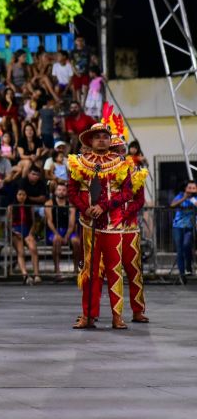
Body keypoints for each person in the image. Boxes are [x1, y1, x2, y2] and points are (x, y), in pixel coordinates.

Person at [68, 104, 133, 329]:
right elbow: (72, 192)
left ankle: (117, 315)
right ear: (90, 140)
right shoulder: (79, 163)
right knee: (90, 271)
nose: (102, 140)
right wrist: (85, 209)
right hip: (88, 224)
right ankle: (88, 315)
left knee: (115, 271)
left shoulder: (122, 163)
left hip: (113, 225)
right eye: (98, 137)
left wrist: (104, 206)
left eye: (106, 136)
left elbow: (127, 192)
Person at [111, 126, 150, 321]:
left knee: (134, 269)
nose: (119, 154)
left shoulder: (136, 171)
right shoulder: (104, 174)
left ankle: (137, 311)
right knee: (109, 272)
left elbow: (140, 200)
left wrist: (126, 212)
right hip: (108, 228)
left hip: (130, 228)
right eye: (115, 151)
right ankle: (110, 314)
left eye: (121, 151)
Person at [45, 182, 81, 281]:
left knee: (76, 241)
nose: (61, 192)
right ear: (55, 191)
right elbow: (49, 221)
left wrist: (66, 236)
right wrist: (57, 234)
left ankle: (75, 270)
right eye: (59, 190)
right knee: (56, 240)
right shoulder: (49, 203)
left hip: (67, 230)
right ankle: (57, 271)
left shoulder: (71, 205)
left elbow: (72, 223)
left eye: (64, 190)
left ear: (67, 192)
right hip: (54, 231)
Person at [9, 189, 40, 285]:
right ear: (16, 195)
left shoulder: (29, 207)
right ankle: (25, 275)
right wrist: (14, 232)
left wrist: (30, 233)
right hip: (16, 231)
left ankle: (36, 274)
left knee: (33, 248)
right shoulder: (11, 207)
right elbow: (8, 224)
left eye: (24, 194)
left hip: (27, 230)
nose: (21, 196)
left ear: (26, 196)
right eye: (19, 194)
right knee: (21, 251)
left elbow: (33, 223)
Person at [171, 180, 197, 283]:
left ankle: (188, 267)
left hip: (190, 227)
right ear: (185, 188)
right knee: (180, 250)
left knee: (186, 245)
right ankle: (182, 274)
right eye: (189, 188)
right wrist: (184, 198)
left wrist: (193, 200)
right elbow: (172, 205)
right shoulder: (180, 195)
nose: (191, 190)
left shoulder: (195, 198)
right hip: (177, 226)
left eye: (193, 188)